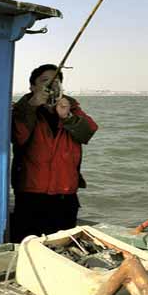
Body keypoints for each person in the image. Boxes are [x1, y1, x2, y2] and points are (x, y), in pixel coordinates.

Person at [11, 64, 98, 242]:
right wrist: (32, 106)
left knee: (62, 249)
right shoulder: (22, 109)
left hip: (65, 196)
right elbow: (17, 136)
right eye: (45, 81)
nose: (51, 86)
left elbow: (88, 132)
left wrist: (67, 117)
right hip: (31, 194)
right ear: (32, 87)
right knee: (27, 246)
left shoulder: (71, 107)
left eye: (56, 82)